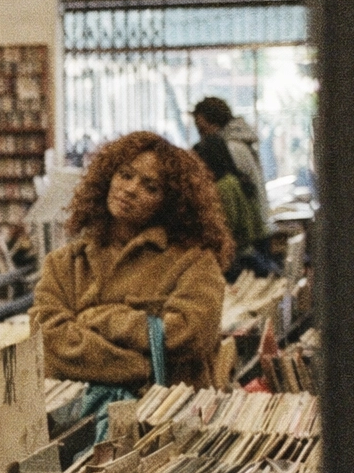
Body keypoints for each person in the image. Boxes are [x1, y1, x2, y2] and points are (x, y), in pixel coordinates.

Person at [31, 131, 230, 389]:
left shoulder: (194, 261)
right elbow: (46, 340)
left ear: (170, 203)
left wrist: (104, 319)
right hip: (77, 417)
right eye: (125, 175)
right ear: (107, 178)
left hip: (159, 416)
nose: (130, 189)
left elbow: (191, 334)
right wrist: (138, 367)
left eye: (150, 187)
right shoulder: (65, 263)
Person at [193, 134, 273, 280]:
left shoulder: (223, 186)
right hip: (250, 253)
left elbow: (226, 226)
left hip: (241, 259)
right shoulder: (233, 179)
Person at [192, 96, 273, 232]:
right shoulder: (240, 143)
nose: (202, 138)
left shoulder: (232, 149)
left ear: (215, 124)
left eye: (202, 130)